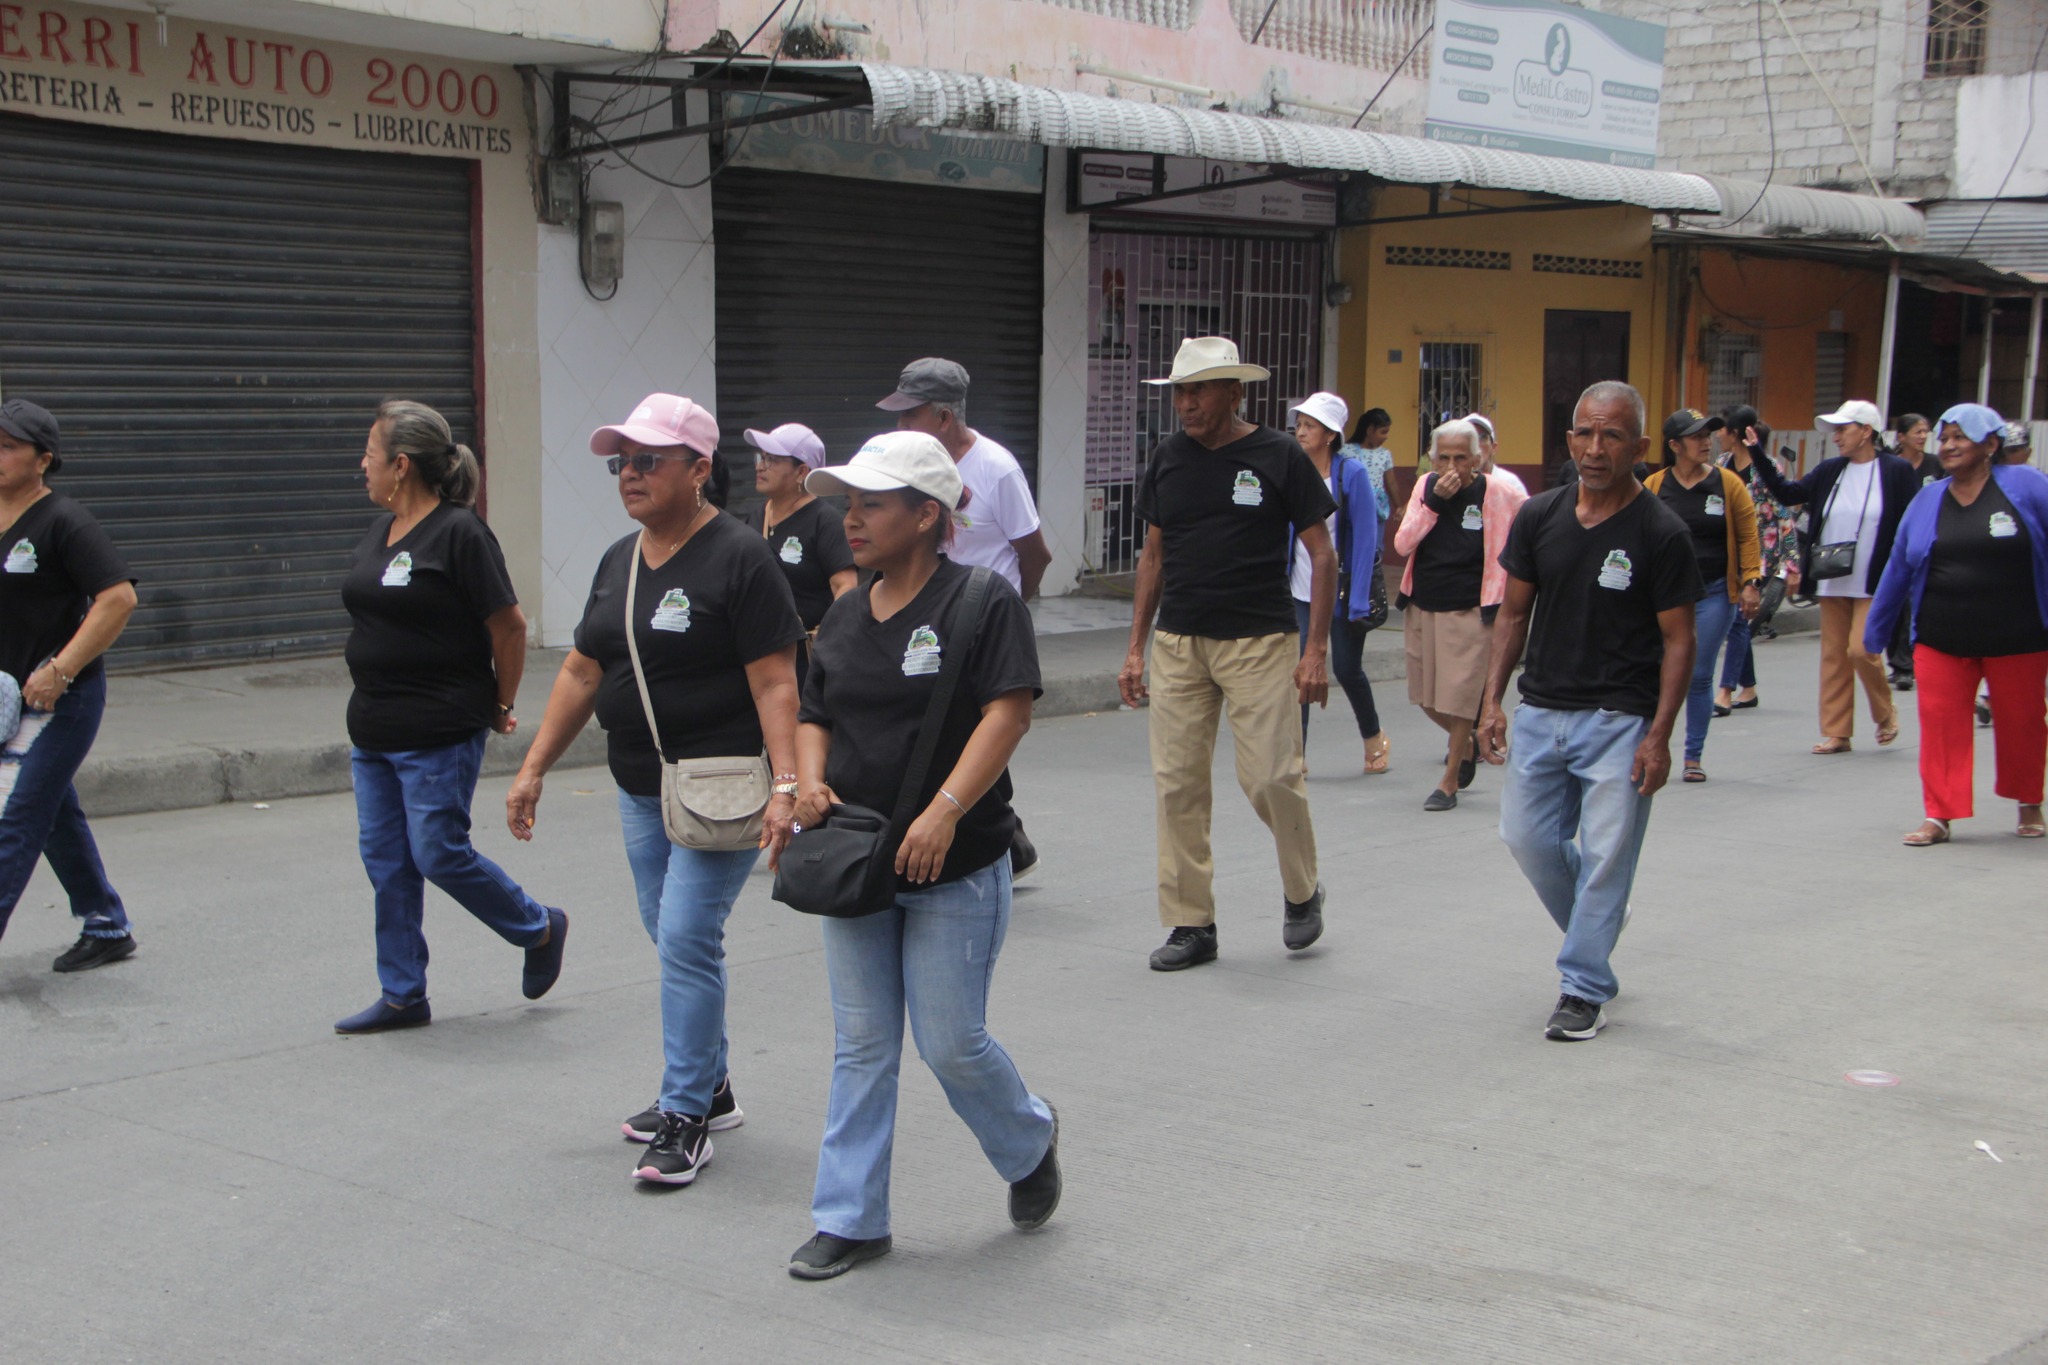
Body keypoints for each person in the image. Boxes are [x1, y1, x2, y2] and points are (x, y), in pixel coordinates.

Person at [506, 392, 804, 1186]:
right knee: (669, 932)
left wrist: (786, 786)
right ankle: (713, 1083)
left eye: (647, 460)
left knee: (684, 935)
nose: (629, 474)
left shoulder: (741, 558)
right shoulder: (620, 560)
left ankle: (686, 1114)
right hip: (642, 784)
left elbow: (777, 681)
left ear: (699, 469)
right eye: (620, 462)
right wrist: (533, 766)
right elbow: (582, 669)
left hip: (723, 786)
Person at [785, 431, 1057, 1281]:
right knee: (862, 1042)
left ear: (928, 515)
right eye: (849, 503)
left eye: (871, 504)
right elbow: (815, 712)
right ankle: (850, 1217)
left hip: (957, 863)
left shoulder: (981, 601)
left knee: (950, 1043)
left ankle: (1029, 1139)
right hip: (857, 859)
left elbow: (1008, 712)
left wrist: (944, 812)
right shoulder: (843, 613)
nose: (851, 518)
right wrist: (809, 781)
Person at [334, 400, 565, 1034]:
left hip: (438, 729)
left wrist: (501, 704)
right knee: (387, 864)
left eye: (370, 454)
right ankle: (403, 994)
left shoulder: (461, 534)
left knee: (437, 853)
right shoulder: (381, 533)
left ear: (401, 465)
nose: (362, 465)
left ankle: (540, 927)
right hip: (373, 730)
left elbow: (509, 627)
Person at [1478, 381, 1700, 1041]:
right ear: (1570, 438)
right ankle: (1598, 921)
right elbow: (1512, 614)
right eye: (1584, 433)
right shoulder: (1539, 516)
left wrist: (1660, 736)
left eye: (1612, 436)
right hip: (1542, 709)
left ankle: (1582, 986)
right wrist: (1492, 702)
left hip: (1621, 720)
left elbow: (1680, 640)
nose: (1595, 449)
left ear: (1640, 446)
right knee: (1527, 839)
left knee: (1607, 858)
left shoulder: (1661, 532)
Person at [1117, 337, 1336, 971]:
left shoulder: (1279, 454)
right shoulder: (1168, 458)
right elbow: (1152, 557)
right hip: (1180, 642)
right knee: (1177, 783)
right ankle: (1192, 923)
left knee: (1271, 776)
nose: (1186, 404)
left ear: (1234, 392)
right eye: (1179, 392)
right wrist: (1135, 649)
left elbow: (1322, 554)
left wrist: (1315, 650)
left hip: (1260, 640)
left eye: (1199, 391)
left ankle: (1302, 890)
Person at [881, 357, 1049, 883]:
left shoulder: (996, 469)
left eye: (910, 416)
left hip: (981, 628)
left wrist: (1004, 613)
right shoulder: (905, 465)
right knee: (943, 732)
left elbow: (1035, 553)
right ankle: (1009, 838)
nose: (900, 427)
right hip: (926, 623)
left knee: (979, 729)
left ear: (944, 418)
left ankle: (997, 839)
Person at [1866, 406, 2048, 845]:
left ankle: (2028, 800)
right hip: (1940, 636)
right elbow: (1899, 566)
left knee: (2023, 723)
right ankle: (1939, 814)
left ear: (1990, 445)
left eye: (1959, 437)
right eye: (1944, 437)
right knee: (1941, 726)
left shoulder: (2027, 485)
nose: (1947, 446)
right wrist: (1875, 630)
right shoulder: (1928, 499)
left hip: (2019, 637)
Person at [0, 399, 139, 972]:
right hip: (8, 700)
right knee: (51, 808)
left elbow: (118, 598)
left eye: (8, 447)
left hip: (61, 699)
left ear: (44, 459)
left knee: (14, 814)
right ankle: (106, 923)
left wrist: (59, 670)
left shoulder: (64, 521)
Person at [1745, 400, 1920, 755]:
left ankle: (1885, 713)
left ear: (1866, 431)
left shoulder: (1896, 471)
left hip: (1875, 579)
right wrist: (1757, 454)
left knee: (1862, 649)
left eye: (1843, 429)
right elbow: (1788, 493)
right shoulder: (1830, 470)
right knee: (1835, 656)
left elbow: (1911, 520)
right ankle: (1838, 732)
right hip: (1832, 576)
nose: (1836, 437)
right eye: (1835, 431)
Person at [1393, 417, 1527, 810]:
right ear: (1432, 460)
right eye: (1444, 458)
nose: (1452, 467)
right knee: (1425, 697)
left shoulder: (1500, 492)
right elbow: (1402, 544)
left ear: (1478, 458)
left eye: (1461, 458)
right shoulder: (1425, 487)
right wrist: (1433, 504)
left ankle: (1448, 781)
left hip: (1472, 608)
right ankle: (1466, 742)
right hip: (1423, 603)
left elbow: (1526, 533)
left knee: (1461, 700)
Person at [1642, 411, 1762, 783]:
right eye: (1696, 436)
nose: (1705, 441)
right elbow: (1639, 534)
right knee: (1652, 670)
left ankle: (1692, 756)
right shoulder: (1654, 486)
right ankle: (1648, 745)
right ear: (1675, 445)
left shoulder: (1728, 484)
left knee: (1697, 674)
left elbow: (1748, 535)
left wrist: (1751, 581)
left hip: (1714, 592)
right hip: (1665, 596)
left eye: (1708, 434)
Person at [1288, 392, 1388, 774]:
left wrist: (1359, 598)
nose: (1300, 431)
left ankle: (1373, 736)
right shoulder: (1294, 470)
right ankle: (1297, 754)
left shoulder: (1352, 474)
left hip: (1343, 592)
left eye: (1309, 426)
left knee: (1346, 669)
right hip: (1300, 590)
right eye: (1299, 424)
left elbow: (1365, 540)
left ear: (1330, 435)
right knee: (1301, 670)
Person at [743, 422, 856, 693]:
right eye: (760, 458)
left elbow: (846, 586)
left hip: (803, 660)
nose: (760, 467)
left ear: (801, 472)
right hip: (757, 653)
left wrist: (827, 637)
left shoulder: (824, 521)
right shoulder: (756, 517)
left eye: (771, 460)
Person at [1885, 413, 1935, 689]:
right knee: (1896, 603)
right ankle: (1898, 662)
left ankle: (1906, 664)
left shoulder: (1935, 465)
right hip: (1894, 543)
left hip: (1928, 542)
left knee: (1915, 604)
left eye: (1925, 431)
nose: (1923, 436)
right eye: (1917, 431)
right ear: (1901, 436)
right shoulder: (1890, 466)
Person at [1341, 407, 1396, 524]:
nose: (1386, 437)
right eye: (1383, 432)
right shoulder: (1344, 451)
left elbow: (1391, 482)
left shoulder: (1385, 454)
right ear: (1370, 430)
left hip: (1377, 511)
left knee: (1375, 536)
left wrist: (1399, 506)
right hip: (1352, 509)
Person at [1464, 412, 1528, 497]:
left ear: (1493, 447)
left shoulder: (1509, 483)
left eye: (1482, 437)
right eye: (1469, 438)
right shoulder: (1451, 485)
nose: (1476, 444)